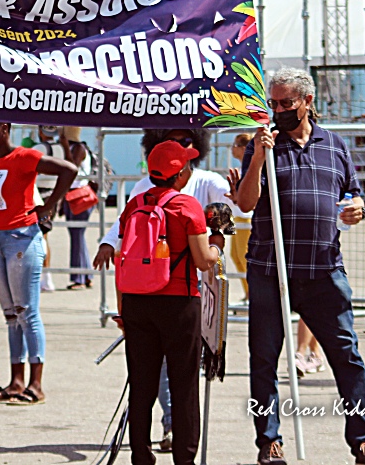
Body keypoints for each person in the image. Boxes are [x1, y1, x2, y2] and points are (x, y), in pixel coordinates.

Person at [232, 67, 365, 465]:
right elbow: (247, 202)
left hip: (323, 268)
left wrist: (356, 208)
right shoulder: (264, 145)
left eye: (286, 103)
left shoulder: (334, 145)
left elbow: (351, 196)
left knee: (347, 357)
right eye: (273, 103)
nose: (279, 110)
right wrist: (259, 156)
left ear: (307, 102)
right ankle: (268, 442)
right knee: (264, 358)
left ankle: (364, 442)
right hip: (271, 268)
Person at [94, 126, 237, 452]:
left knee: (141, 385)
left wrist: (122, 311)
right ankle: (184, 458)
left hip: (136, 304)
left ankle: (141, 456)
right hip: (178, 303)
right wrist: (217, 243)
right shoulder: (186, 207)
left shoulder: (134, 205)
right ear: (180, 173)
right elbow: (203, 261)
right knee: (184, 385)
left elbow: (123, 259)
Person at [0, 121, 76, 405]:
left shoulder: (24, 156)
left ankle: (36, 384)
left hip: (21, 237)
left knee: (27, 312)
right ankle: (16, 381)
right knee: (11, 314)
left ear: (5, 129)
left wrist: (50, 204)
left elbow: (68, 170)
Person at [30, 125, 65, 293]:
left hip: (39, 193)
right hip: (54, 193)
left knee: (37, 236)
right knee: (45, 235)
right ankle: (47, 276)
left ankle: (40, 277)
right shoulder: (60, 149)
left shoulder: (38, 149)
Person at [62, 126, 95, 290]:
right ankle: (86, 274)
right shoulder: (79, 147)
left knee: (77, 235)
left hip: (78, 194)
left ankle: (79, 277)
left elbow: (71, 167)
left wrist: (65, 148)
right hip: (73, 194)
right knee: (78, 235)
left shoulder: (79, 148)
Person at [230, 132, 254, 301]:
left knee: (244, 257)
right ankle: (248, 292)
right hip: (237, 218)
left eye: (236, 146)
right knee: (235, 256)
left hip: (246, 218)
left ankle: (252, 292)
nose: (232, 150)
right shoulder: (240, 170)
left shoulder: (249, 170)